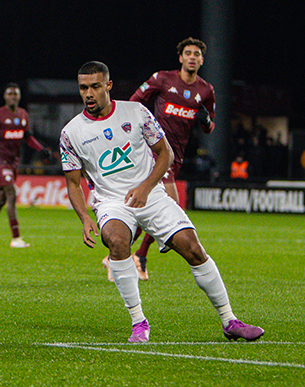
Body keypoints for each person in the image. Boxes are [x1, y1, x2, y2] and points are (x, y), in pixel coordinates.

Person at [61, 61, 263, 343]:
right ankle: (138, 323)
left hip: (152, 195)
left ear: (108, 85)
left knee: (193, 249)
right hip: (111, 203)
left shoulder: (136, 112)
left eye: (95, 86)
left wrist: (146, 187)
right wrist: (84, 217)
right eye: (83, 88)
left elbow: (165, 153)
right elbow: (73, 182)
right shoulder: (71, 132)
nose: (89, 94)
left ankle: (230, 320)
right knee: (117, 242)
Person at [102, 37, 217, 282]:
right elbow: (134, 101)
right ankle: (138, 256)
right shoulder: (163, 79)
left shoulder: (206, 90)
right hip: (153, 150)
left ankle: (119, 255)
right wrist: (132, 128)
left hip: (176, 156)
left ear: (202, 60)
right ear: (181, 57)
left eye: (197, 53)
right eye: (188, 53)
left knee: (147, 206)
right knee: (171, 205)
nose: (192, 57)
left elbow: (210, 128)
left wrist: (206, 121)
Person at [0, 83, 52, 248]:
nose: (13, 97)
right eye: (10, 94)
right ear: (4, 96)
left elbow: (27, 136)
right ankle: (16, 238)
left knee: (1, 200)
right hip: (0, 160)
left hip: (14, 160)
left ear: (19, 97)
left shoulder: (23, 115)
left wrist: (41, 149)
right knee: (11, 193)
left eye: (15, 94)